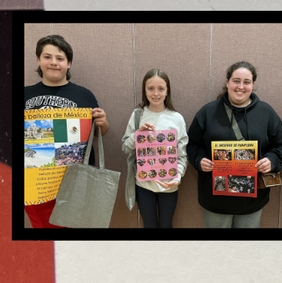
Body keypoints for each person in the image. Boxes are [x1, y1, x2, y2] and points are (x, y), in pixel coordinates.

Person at [187, 61, 282, 228]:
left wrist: (271, 160)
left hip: (252, 201)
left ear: (253, 84)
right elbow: (192, 144)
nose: (241, 86)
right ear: (227, 82)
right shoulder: (208, 112)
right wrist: (199, 160)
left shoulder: (266, 113)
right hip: (216, 200)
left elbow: (281, 147)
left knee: (245, 251)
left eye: (246, 82)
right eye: (236, 80)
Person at [23, 34, 109, 228]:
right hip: (38, 184)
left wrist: (102, 123)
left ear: (68, 63)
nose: (54, 62)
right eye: (47, 57)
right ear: (38, 60)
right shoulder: (24, 94)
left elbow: (99, 134)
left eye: (60, 58)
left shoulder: (84, 95)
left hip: (76, 183)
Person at [120, 69, 188, 228]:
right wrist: (139, 134)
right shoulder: (138, 115)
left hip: (169, 185)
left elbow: (182, 155)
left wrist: (177, 176)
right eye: (151, 88)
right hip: (143, 185)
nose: (155, 93)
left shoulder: (176, 118)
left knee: (166, 226)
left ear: (167, 90)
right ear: (145, 90)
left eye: (161, 88)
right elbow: (125, 148)